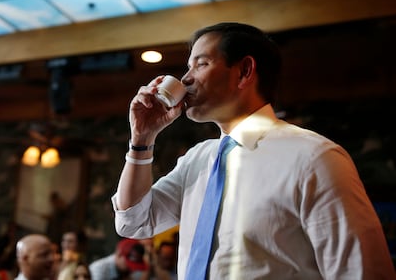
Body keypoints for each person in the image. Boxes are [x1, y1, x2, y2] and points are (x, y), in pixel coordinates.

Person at [111, 22, 396, 279]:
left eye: (201, 64)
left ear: (244, 71)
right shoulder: (197, 159)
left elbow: (362, 272)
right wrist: (142, 138)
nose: (185, 79)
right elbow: (134, 222)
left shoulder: (313, 158)